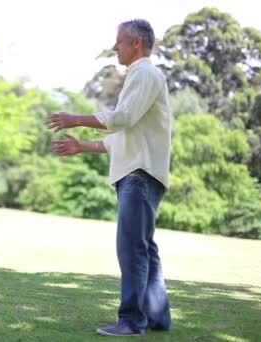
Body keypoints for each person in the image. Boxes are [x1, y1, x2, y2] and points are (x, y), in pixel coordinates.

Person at [46, 19, 172, 336]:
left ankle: (130, 321)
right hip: (141, 173)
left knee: (131, 249)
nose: (115, 46)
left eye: (120, 41)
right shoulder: (140, 76)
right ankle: (156, 318)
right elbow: (121, 135)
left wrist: (76, 119)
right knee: (144, 248)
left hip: (139, 176)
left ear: (137, 44)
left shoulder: (144, 73)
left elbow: (122, 118)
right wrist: (82, 147)